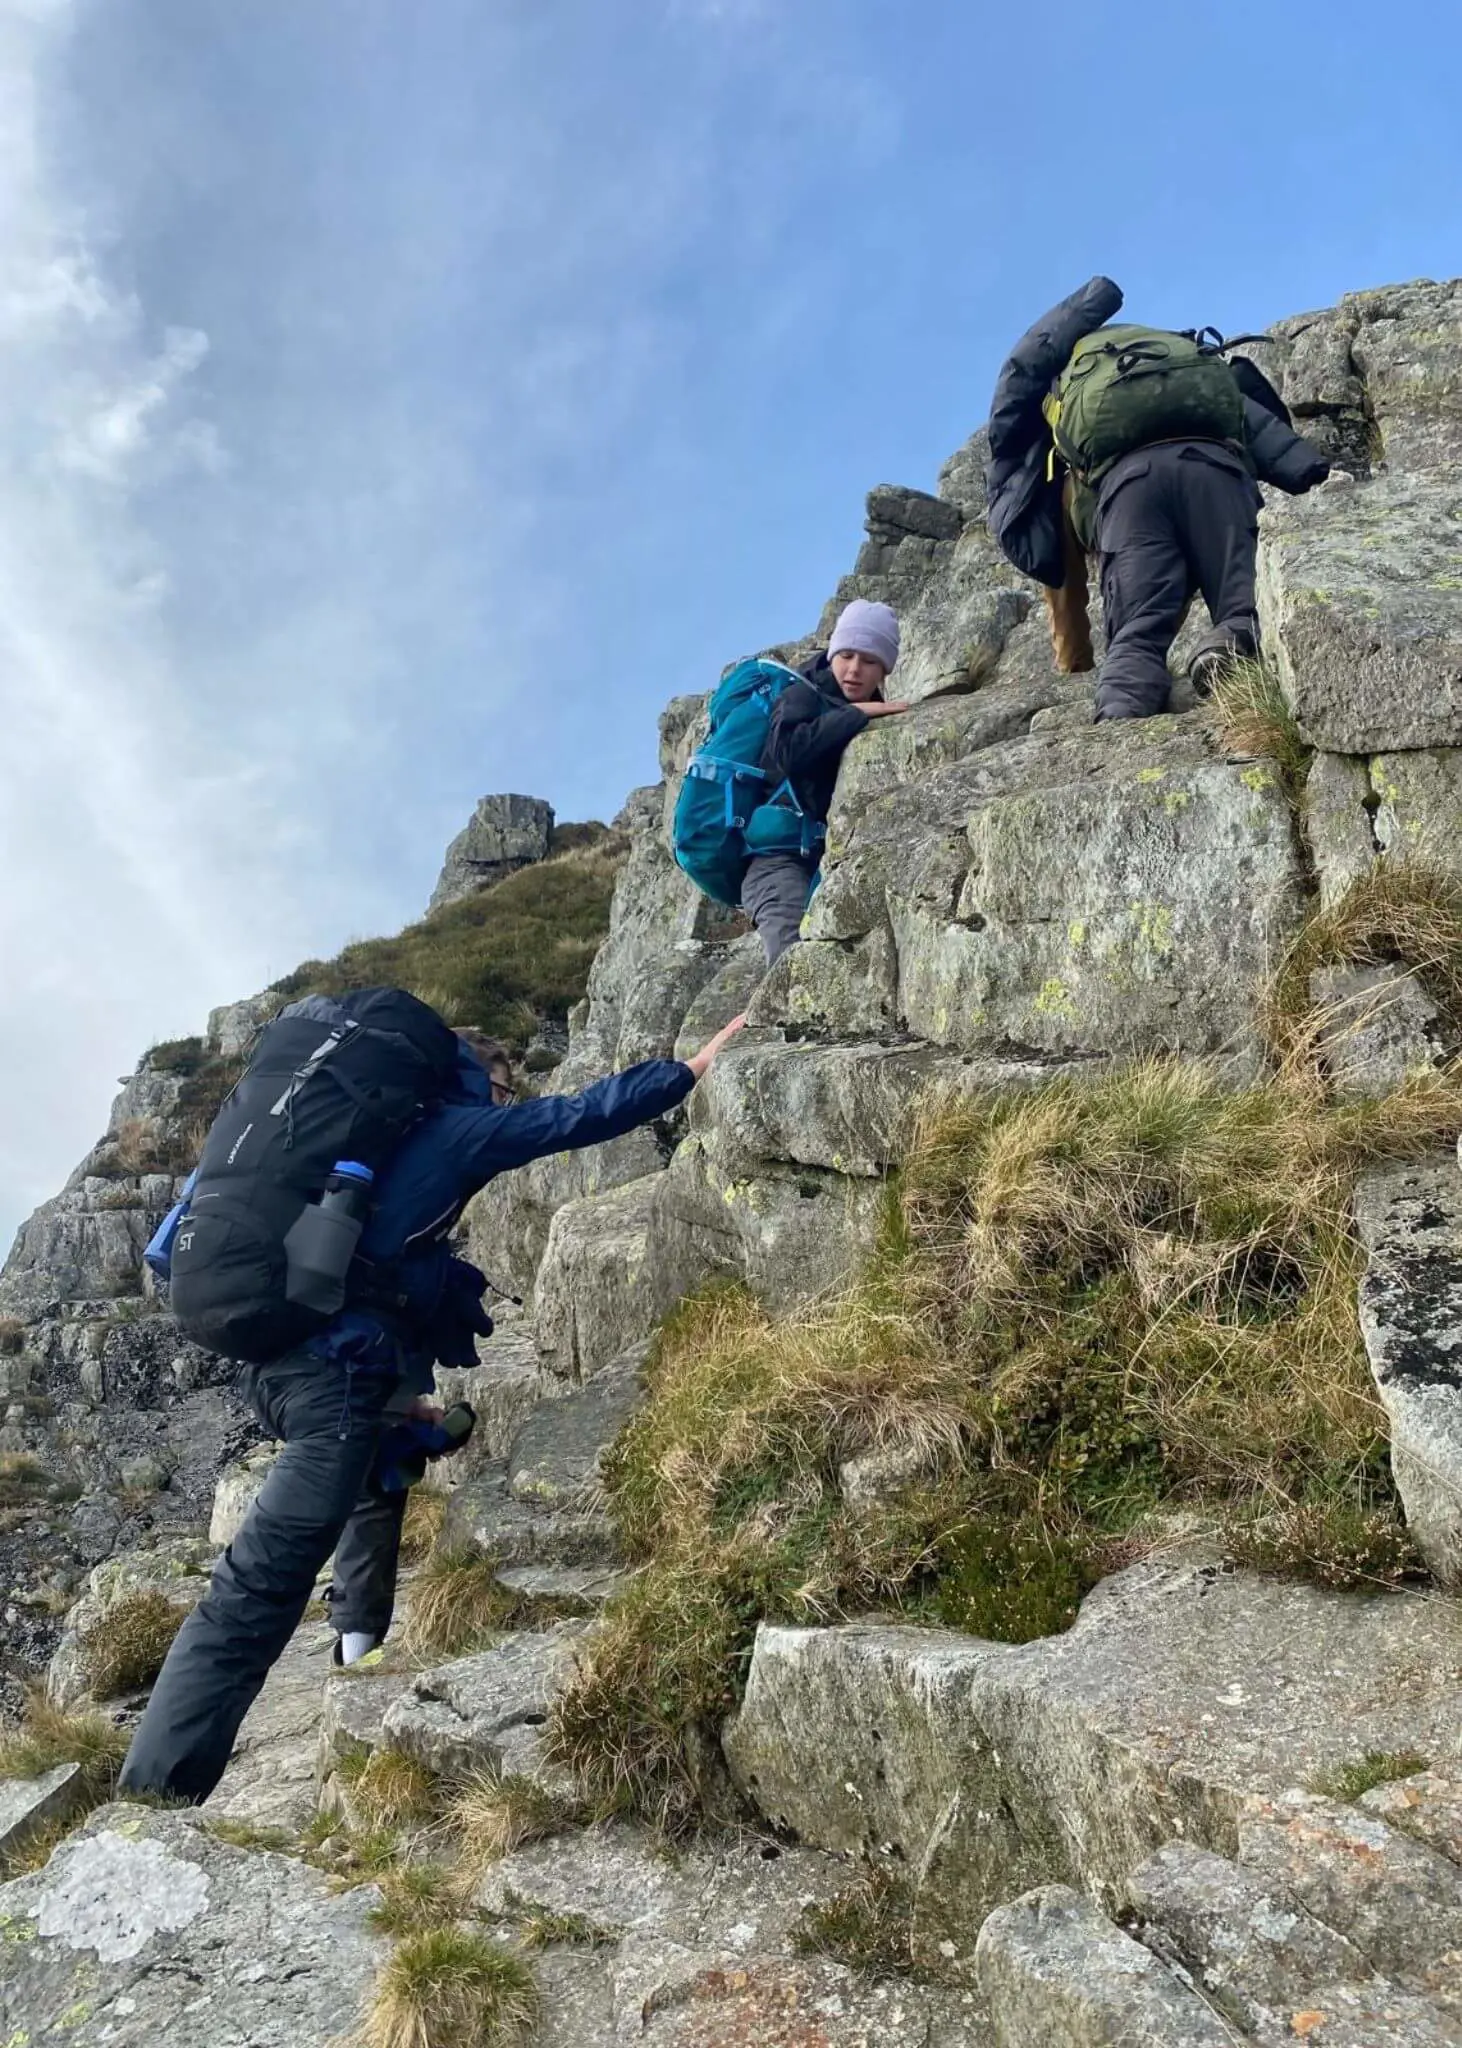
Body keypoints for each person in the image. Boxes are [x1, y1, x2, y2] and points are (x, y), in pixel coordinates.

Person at [118, 1010, 746, 1805]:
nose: (507, 1098)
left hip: (276, 1364)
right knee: (256, 1586)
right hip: (326, 1381)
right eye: (503, 1084)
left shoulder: (364, 1144)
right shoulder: (454, 1130)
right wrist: (689, 1069)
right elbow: (572, 1119)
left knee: (365, 1478)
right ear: (473, 1076)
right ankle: (154, 1797)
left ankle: (355, 1640)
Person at [985, 277, 1331, 721]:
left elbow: (1063, 584)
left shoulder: (1058, 442)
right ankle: (1229, 643)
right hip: (1216, 472)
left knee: (1136, 639)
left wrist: (1076, 666)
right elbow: (1258, 427)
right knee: (1246, 606)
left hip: (1129, 497)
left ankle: (1121, 721)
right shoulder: (1181, 368)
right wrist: (1312, 472)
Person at [740, 599, 910, 964]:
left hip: (822, 862)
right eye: (846, 654)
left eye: (869, 660)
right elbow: (788, 751)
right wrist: (853, 715)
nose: (854, 669)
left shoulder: (874, 712)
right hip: (775, 864)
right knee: (792, 963)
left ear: (884, 668)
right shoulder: (802, 692)